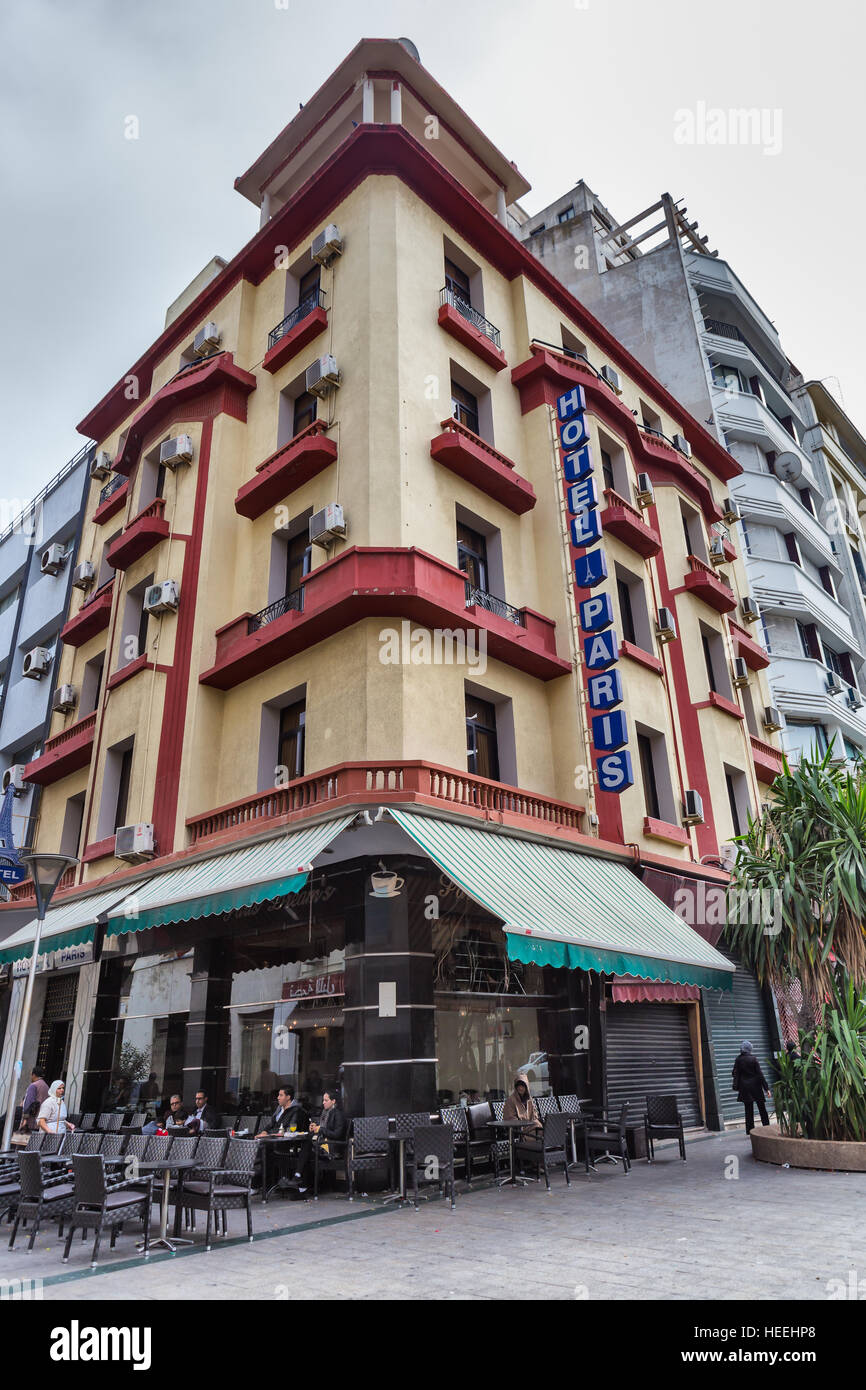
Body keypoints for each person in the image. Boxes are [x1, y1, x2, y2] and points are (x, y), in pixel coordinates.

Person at [285, 1088, 347, 1197]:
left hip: (331, 1150)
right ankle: (301, 1186)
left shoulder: (338, 1114)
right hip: (321, 1145)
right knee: (305, 1150)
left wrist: (320, 1130)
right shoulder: (325, 1113)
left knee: (306, 1148)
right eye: (323, 1100)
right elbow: (322, 1128)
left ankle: (299, 1180)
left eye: (326, 1100)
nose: (323, 1102)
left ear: (333, 1101)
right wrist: (314, 1127)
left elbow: (337, 1134)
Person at [732, 1041, 772, 1133]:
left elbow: (734, 1072)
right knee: (762, 1108)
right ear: (750, 1049)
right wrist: (766, 1088)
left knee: (748, 1110)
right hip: (756, 1087)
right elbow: (760, 1074)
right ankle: (766, 1127)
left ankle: (750, 1130)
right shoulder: (753, 1059)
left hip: (745, 1088)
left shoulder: (738, 1059)